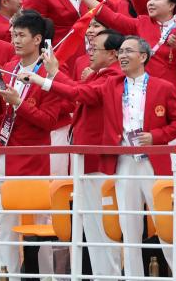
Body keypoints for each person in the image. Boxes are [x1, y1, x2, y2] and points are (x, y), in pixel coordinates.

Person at [26, 36, 176, 279]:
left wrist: (155, 136)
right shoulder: (111, 85)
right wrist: (43, 80)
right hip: (123, 164)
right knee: (128, 229)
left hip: (152, 164)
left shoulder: (163, 87)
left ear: (143, 57)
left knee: (165, 228)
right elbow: (77, 92)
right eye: (120, 51)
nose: (122, 56)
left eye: (128, 51)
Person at [0, 10, 71, 275]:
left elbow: (47, 120)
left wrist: (19, 104)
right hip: (3, 154)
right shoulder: (8, 67)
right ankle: (5, 273)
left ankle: (44, 276)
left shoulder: (51, 71)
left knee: (38, 225)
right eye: (13, 35)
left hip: (33, 158)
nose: (16, 41)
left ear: (37, 39)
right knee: (5, 223)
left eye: (21, 35)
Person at [64, 29, 124, 278]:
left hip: (99, 160)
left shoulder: (114, 75)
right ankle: (102, 274)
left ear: (112, 54)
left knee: (103, 226)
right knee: (93, 225)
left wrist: (53, 74)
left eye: (94, 49)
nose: (89, 53)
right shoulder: (100, 74)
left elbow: (82, 94)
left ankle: (107, 275)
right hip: (87, 158)